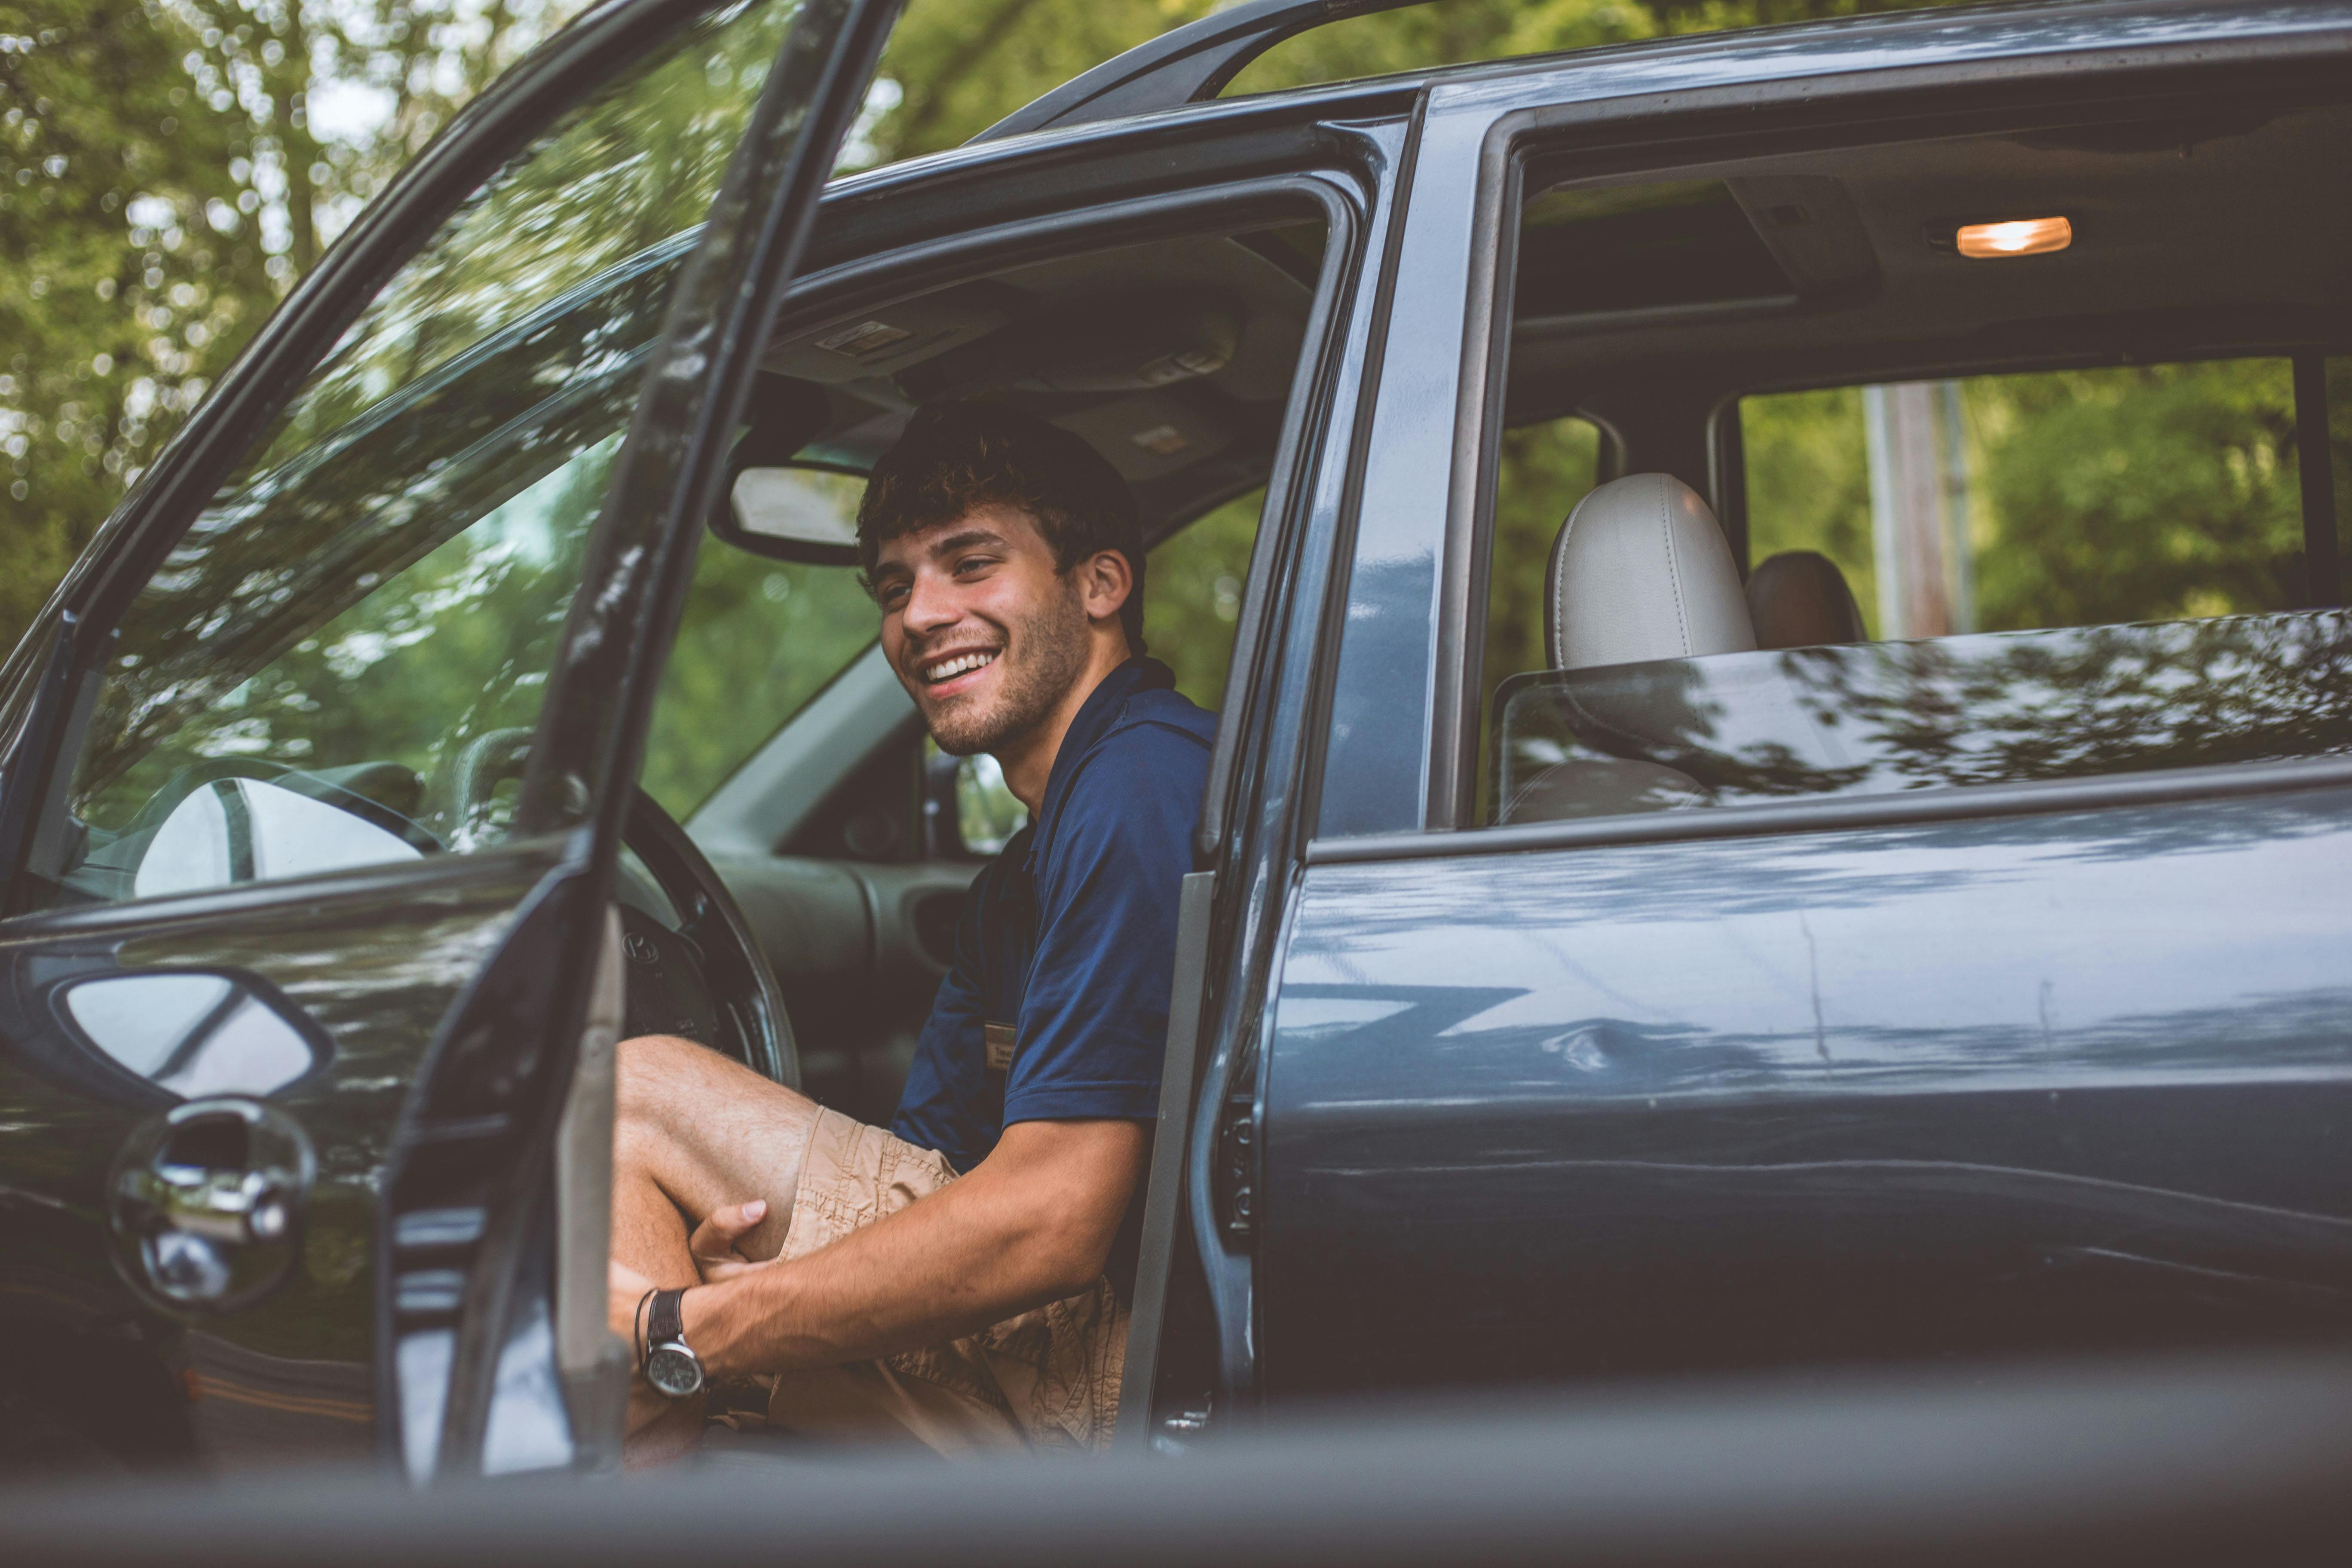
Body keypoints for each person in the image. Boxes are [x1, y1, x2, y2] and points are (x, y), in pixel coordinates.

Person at [607, 402, 1215, 1462]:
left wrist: (693, 1329)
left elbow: (1054, 1220)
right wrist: (754, 1290)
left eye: (970, 565)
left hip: (1149, 1379)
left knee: (627, 1094)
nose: (921, 615)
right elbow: (939, 1172)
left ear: (1101, 584)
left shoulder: (1145, 783)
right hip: (1060, 1353)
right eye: (895, 589)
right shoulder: (1019, 877)